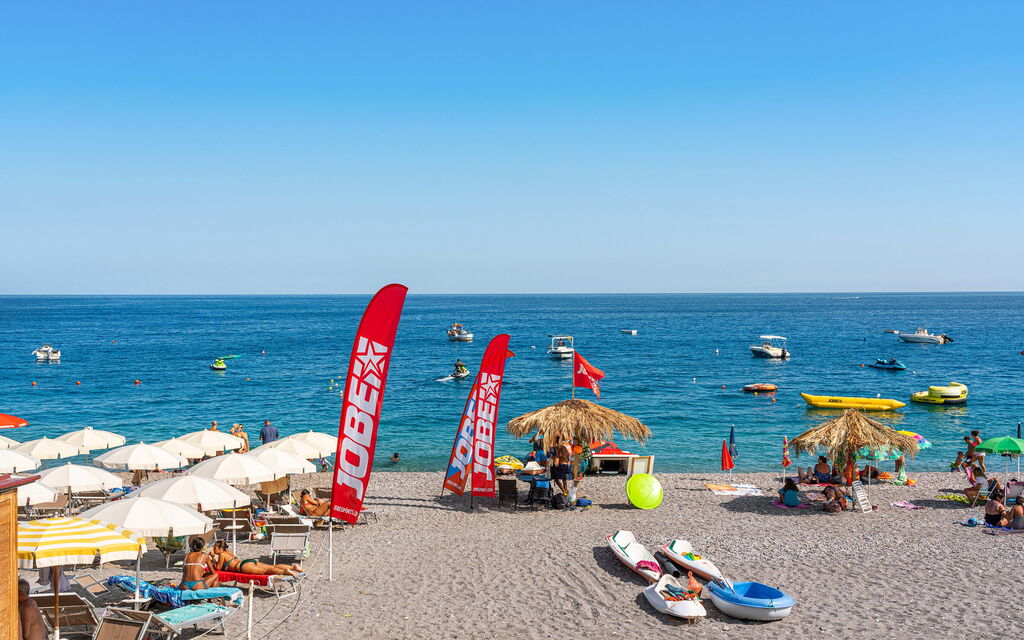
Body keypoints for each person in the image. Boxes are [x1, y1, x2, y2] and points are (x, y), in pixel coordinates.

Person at [212, 540, 303, 577]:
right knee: (271, 566)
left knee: (266, 571)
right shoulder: (228, 552)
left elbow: (218, 568)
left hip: (243, 567)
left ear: (220, 548)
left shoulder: (222, 555)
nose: (213, 549)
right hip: (247, 562)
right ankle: (293, 567)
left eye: (215, 547)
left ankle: (285, 572)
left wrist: (212, 558)